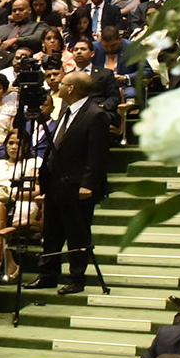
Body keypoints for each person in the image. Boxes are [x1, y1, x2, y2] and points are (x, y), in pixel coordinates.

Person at [33, 70, 109, 293]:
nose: (59, 85)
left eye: (63, 83)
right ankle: (48, 274)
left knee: (77, 234)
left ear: (72, 88)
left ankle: (76, 278)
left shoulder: (95, 114)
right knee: (51, 231)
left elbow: (98, 154)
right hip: (56, 183)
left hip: (78, 186)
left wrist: (88, 184)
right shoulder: (66, 110)